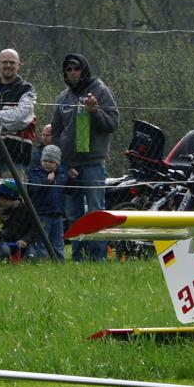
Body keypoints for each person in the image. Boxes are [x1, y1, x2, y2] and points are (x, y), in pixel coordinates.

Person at [50, 52, 120, 261]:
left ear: (84, 70)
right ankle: (78, 258)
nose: (73, 73)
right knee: (73, 214)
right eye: (69, 69)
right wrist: (62, 160)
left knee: (96, 211)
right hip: (68, 165)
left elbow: (112, 123)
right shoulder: (62, 98)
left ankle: (98, 257)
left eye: (76, 69)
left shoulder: (100, 90)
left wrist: (95, 111)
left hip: (93, 164)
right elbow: (55, 130)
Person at [24, 144, 67, 259]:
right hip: (42, 214)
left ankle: (59, 262)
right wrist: (47, 181)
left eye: (51, 161)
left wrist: (72, 178)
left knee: (58, 242)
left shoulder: (61, 174)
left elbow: (68, 190)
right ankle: (42, 262)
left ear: (57, 163)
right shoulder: (36, 173)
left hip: (58, 214)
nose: (47, 164)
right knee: (42, 242)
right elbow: (33, 188)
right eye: (45, 161)